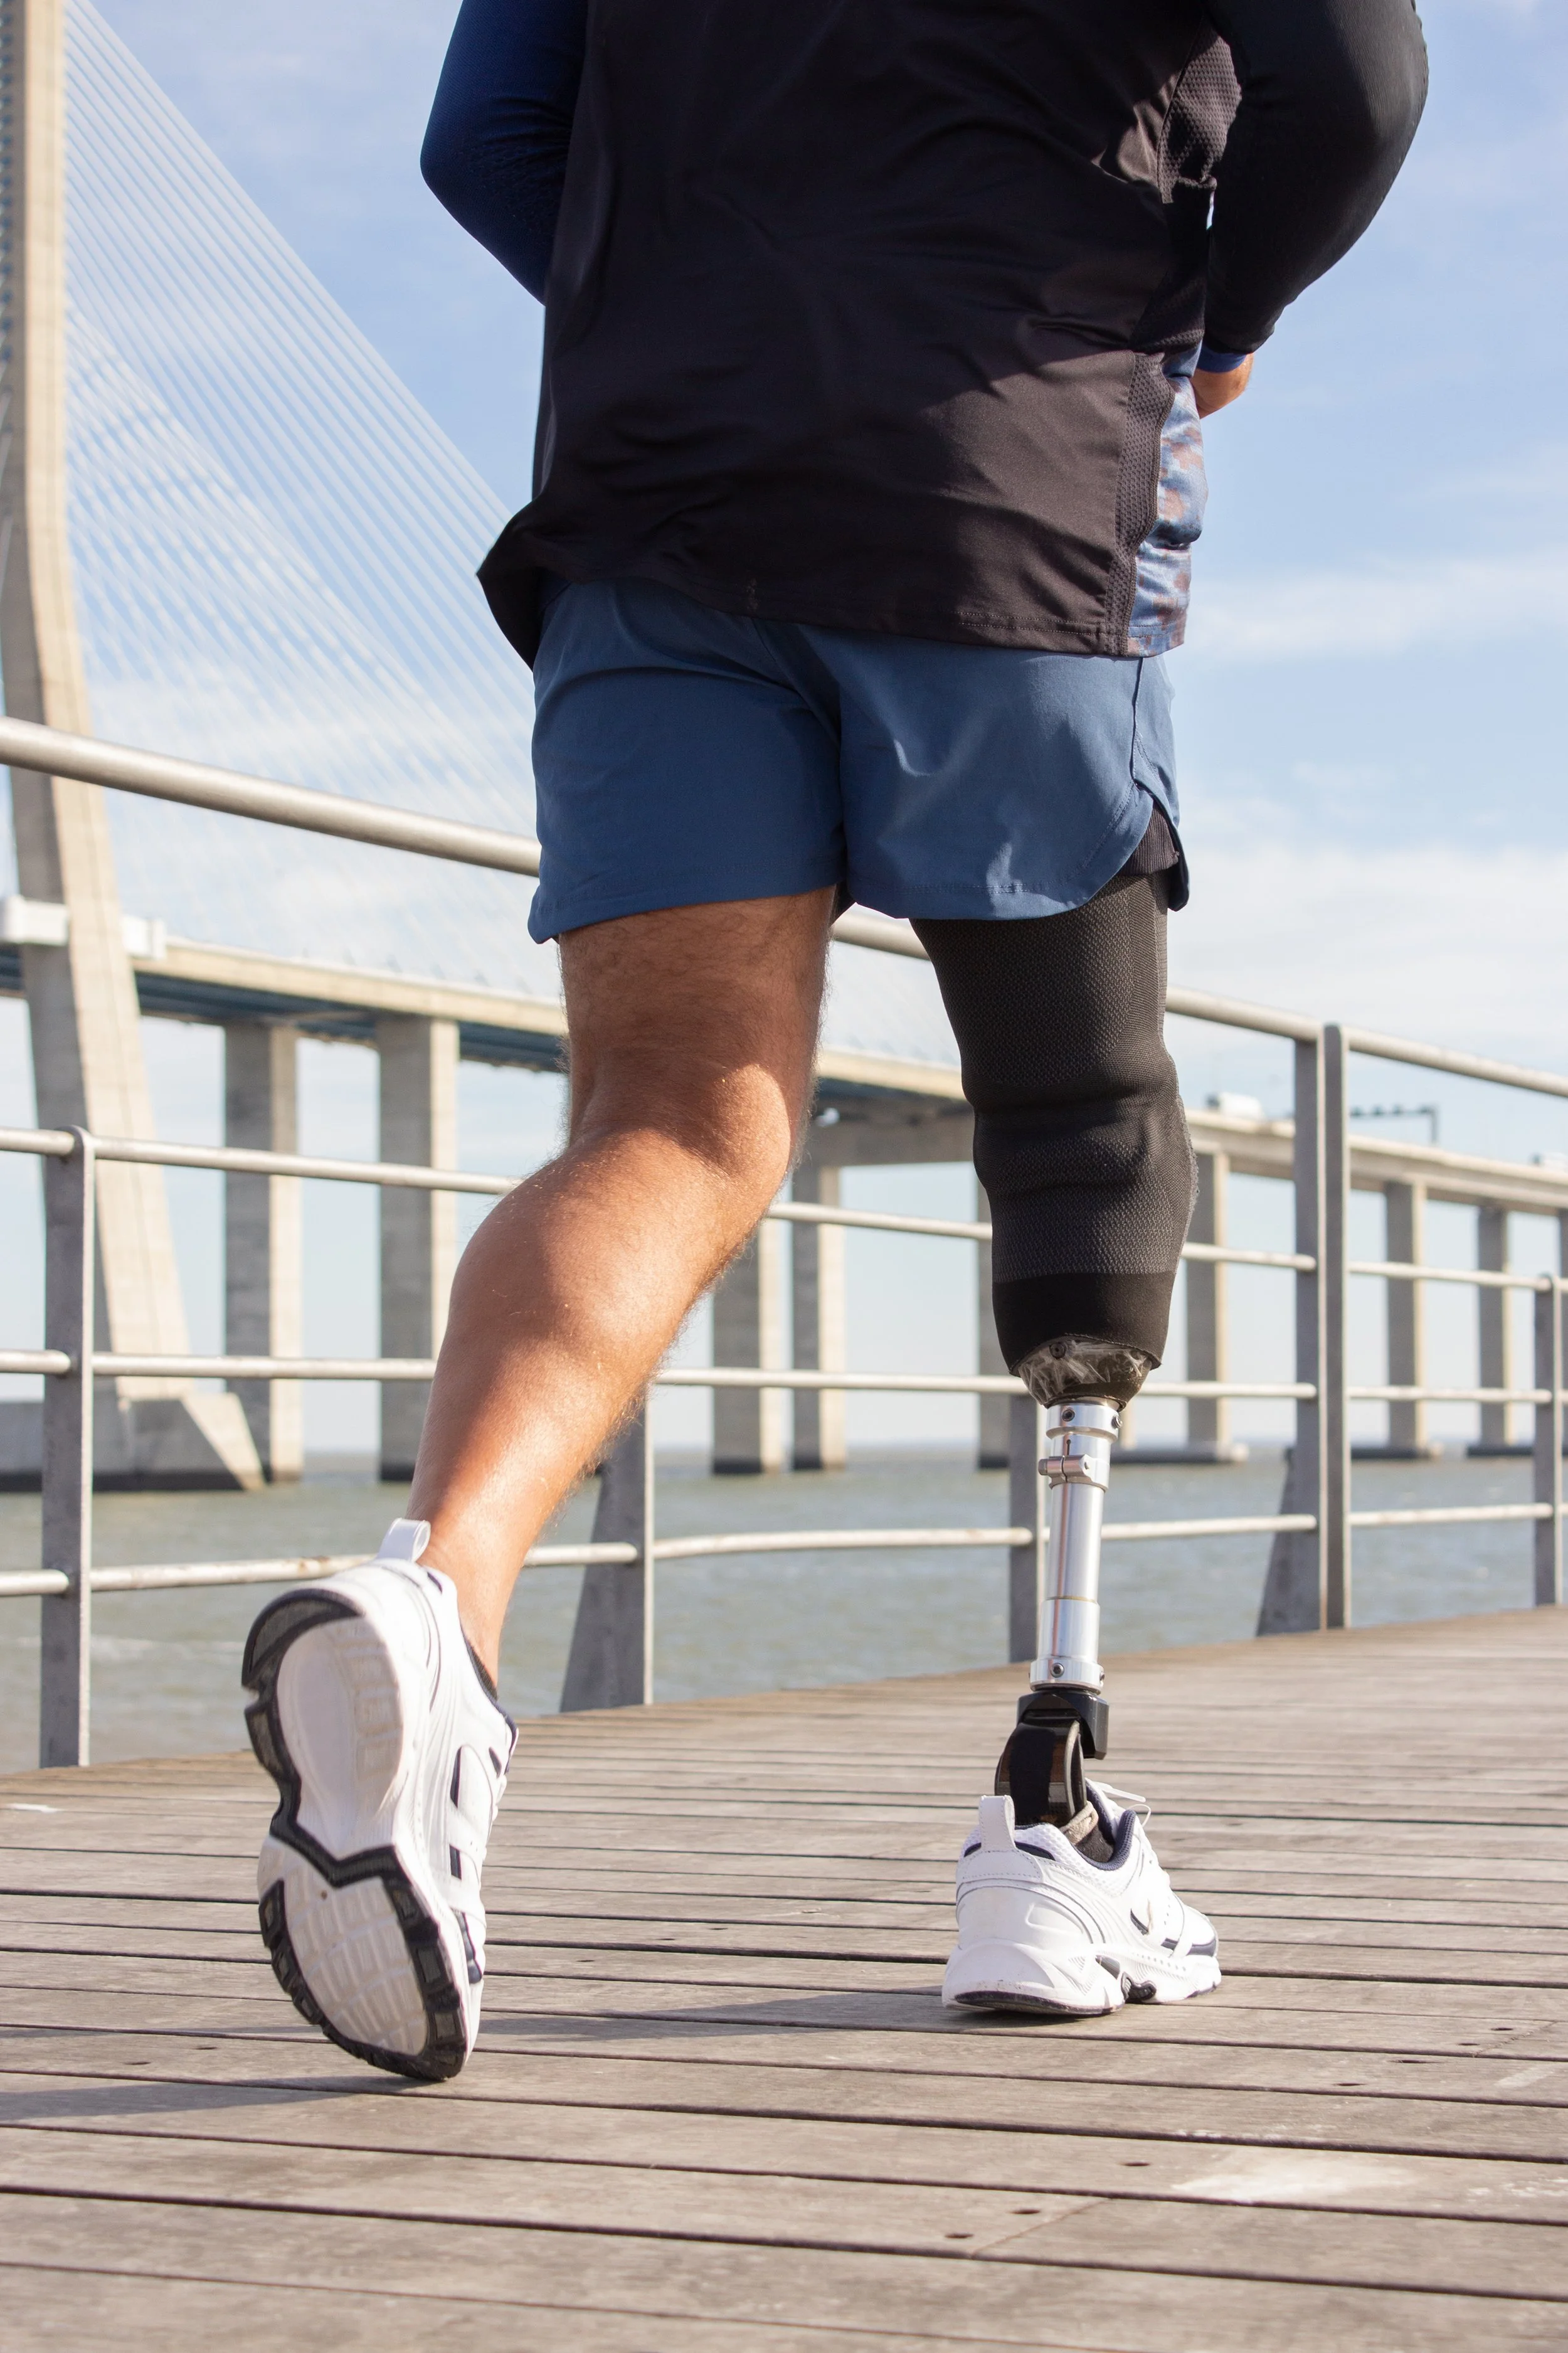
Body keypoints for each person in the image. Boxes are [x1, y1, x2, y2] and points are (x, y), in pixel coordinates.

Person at [241, 0, 1426, 2077]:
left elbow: (482, 133)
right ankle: (1047, 1824)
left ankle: (438, 1601)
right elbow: (1361, 82)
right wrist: (1185, 319)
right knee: (1078, 1117)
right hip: (1005, 460)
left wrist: (724, 293)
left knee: (668, 1121)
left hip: (657, 495)